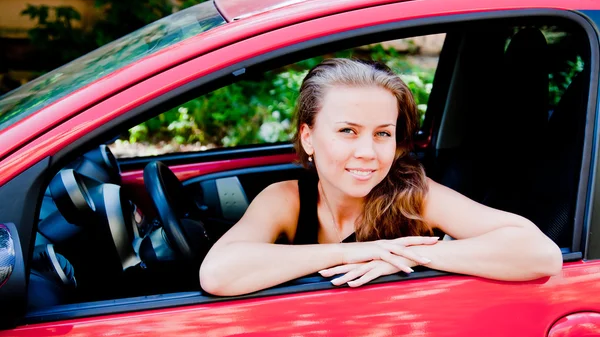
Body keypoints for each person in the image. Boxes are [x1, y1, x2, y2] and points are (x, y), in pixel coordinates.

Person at [199, 58, 562, 296]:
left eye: (382, 133)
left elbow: (540, 254)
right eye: (347, 131)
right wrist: (356, 253)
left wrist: (408, 257)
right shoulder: (286, 199)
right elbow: (219, 273)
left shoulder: (414, 194)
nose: (368, 152)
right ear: (308, 137)